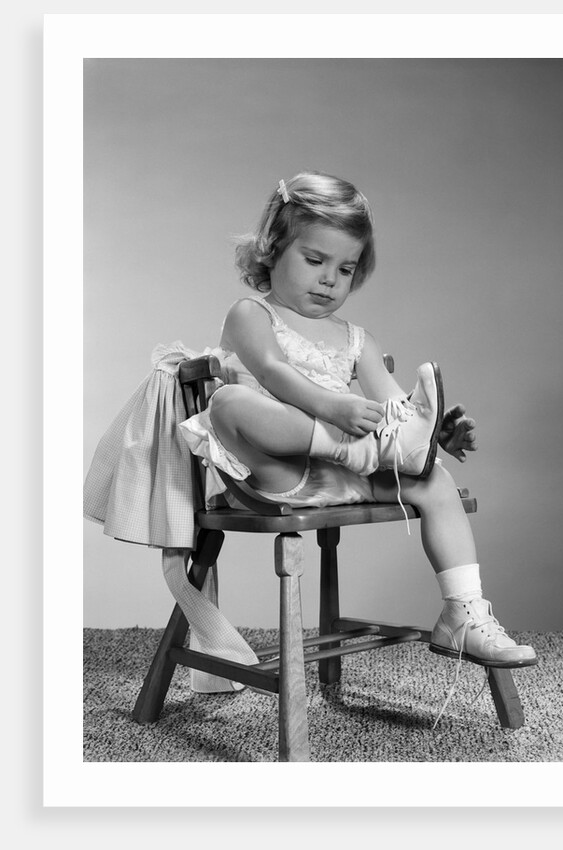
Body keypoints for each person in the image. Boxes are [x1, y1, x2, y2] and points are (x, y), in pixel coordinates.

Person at [179, 170, 537, 702]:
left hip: (351, 473)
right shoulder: (251, 314)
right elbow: (274, 372)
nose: (329, 280)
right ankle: (358, 448)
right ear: (273, 248)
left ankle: (464, 612)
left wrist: (431, 430)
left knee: (433, 480)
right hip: (277, 474)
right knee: (230, 401)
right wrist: (334, 407)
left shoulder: (356, 338)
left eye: (345, 268)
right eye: (315, 260)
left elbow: (392, 405)